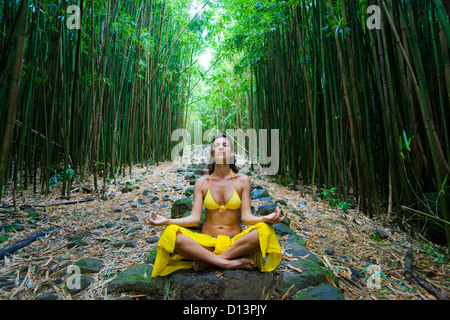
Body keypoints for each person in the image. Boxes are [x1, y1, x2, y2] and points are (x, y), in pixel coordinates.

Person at [145, 133, 287, 277]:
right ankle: (226, 262)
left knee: (265, 230)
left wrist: (266, 219)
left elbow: (246, 218)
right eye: (217, 146)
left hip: (235, 242)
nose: (221, 148)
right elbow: (194, 219)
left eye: (225, 145)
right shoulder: (202, 182)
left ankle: (208, 261)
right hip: (207, 242)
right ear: (212, 153)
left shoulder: (242, 181)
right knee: (170, 232)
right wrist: (166, 221)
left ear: (232, 153)